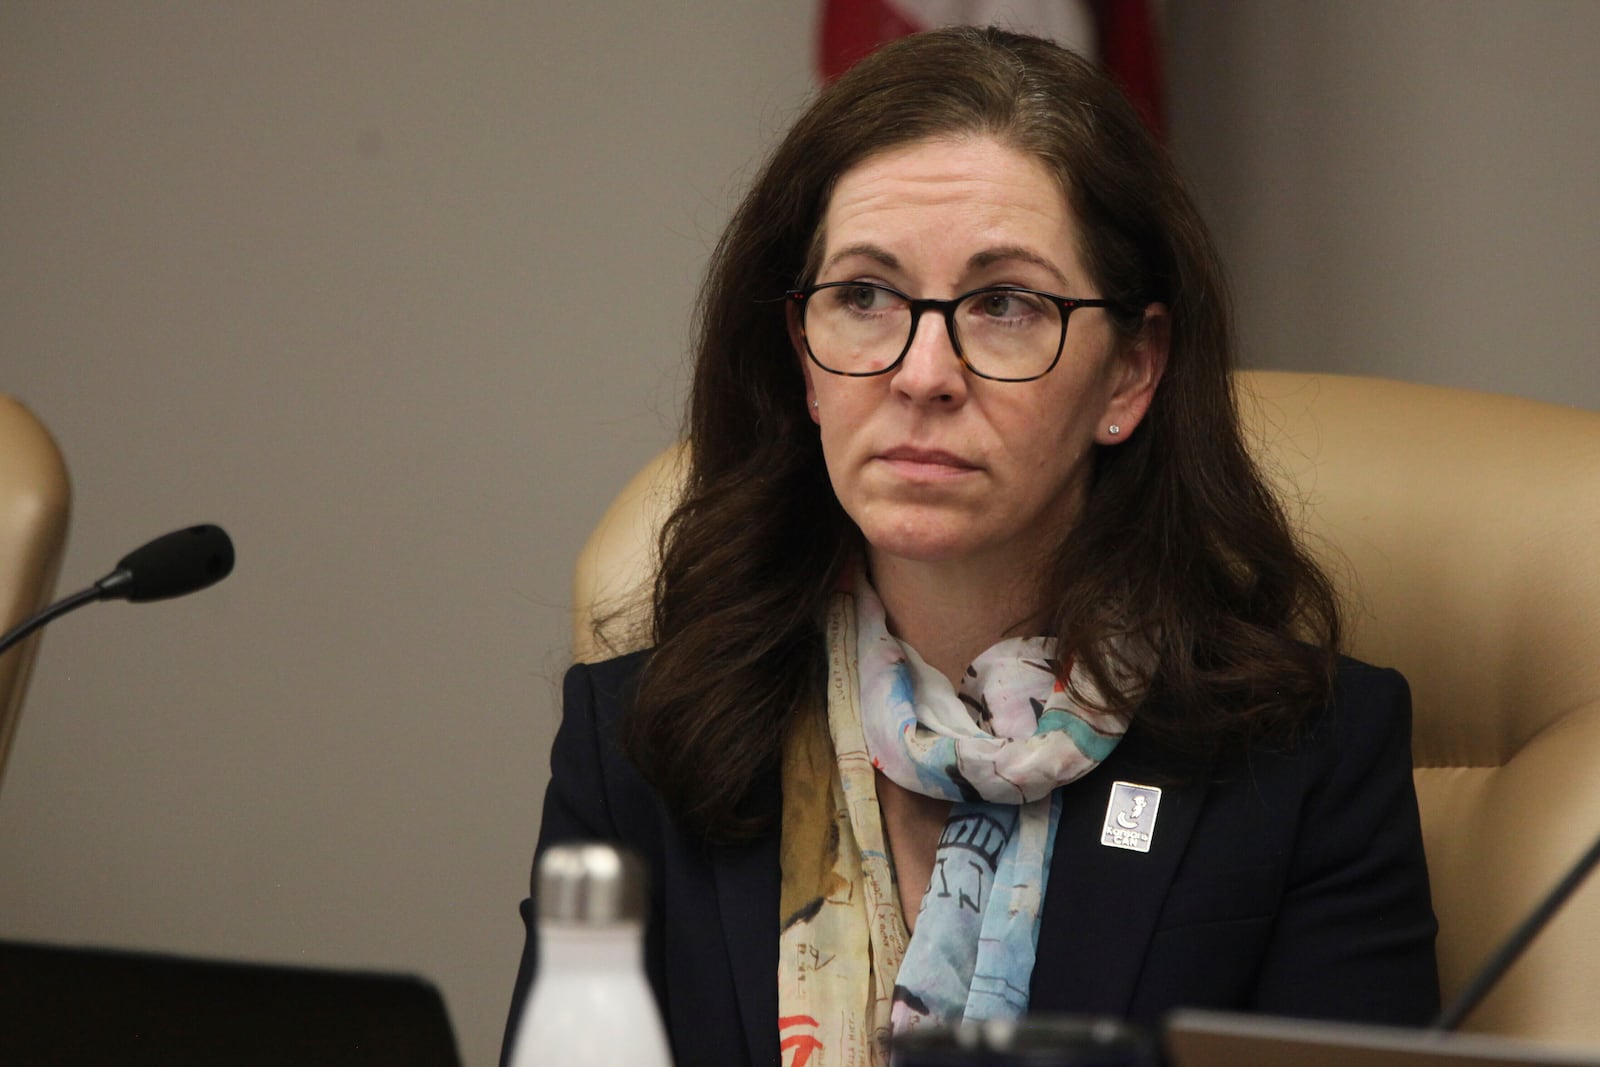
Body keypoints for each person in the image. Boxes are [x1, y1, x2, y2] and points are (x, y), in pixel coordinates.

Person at [504, 25, 1438, 1067]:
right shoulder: (639, 739)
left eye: (1001, 304)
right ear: (803, 363)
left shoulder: (1305, 761)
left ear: (1130, 371)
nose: (921, 372)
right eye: (863, 297)